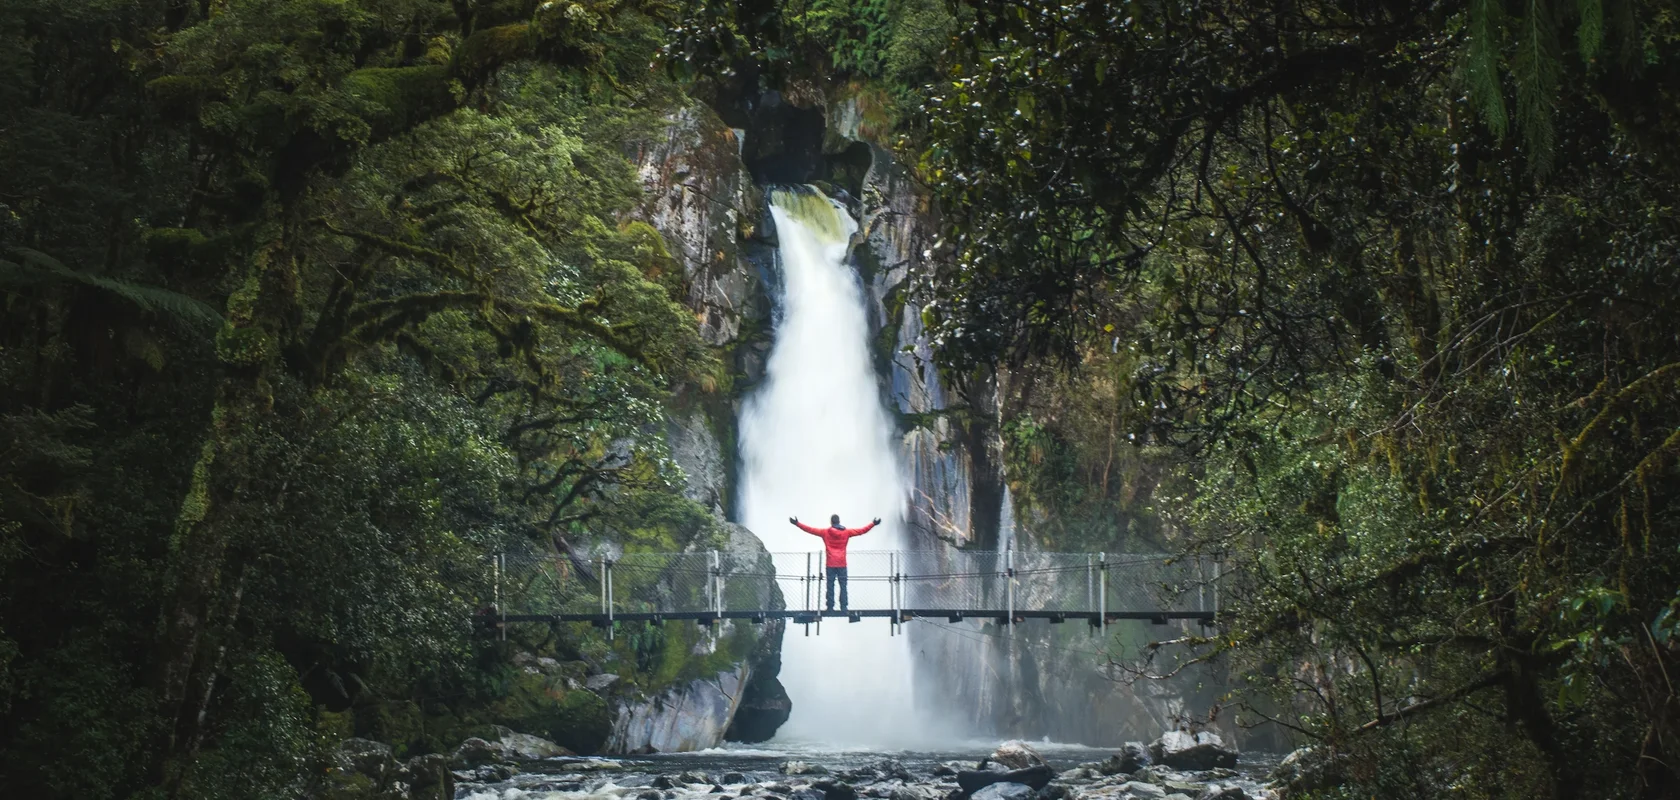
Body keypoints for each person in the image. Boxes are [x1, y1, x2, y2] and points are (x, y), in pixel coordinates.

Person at [789, 513, 881, 611]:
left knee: (830, 585)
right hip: (842, 563)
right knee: (843, 586)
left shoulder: (825, 532)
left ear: (831, 522)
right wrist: (873, 524)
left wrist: (797, 523)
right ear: (839, 521)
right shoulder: (847, 532)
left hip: (830, 564)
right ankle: (844, 607)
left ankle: (830, 607)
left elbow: (810, 530)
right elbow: (861, 531)